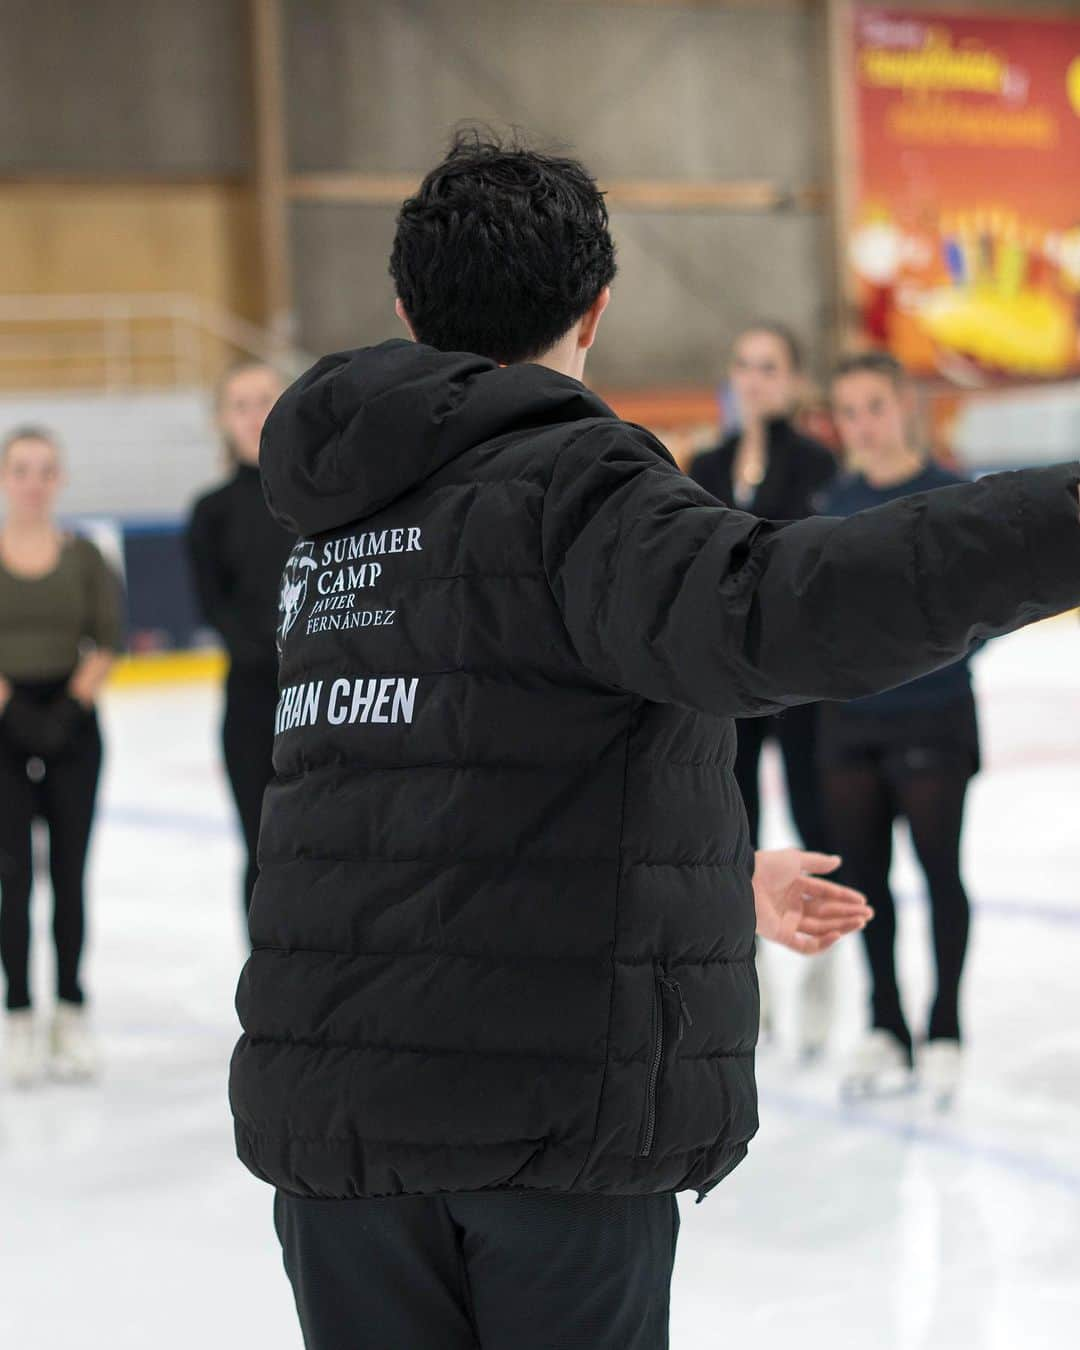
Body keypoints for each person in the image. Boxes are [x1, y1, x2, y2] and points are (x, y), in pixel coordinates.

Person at [228, 132, 1080, 1350]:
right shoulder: (572, 489)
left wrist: (717, 880)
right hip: (541, 1127)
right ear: (596, 309)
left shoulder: (336, 521)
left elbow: (445, 796)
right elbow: (783, 606)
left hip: (338, 1131)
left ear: (407, 309)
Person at [822, 351, 984, 1106]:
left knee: (937, 870)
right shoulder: (830, 505)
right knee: (861, 883)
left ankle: (944, 1026)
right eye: (849, 411)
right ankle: (885, 1022)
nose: (863, 425)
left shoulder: (950, 498)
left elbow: (990, 603)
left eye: (874, 407)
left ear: (904, 406)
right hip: (850, 723)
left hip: (933, 714)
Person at [690, 323, 837, 1057]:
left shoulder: (816, 462)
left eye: (769, 366)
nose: (755, 378)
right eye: (745, 365)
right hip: (730, 679)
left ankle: (817, 966)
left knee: (816, 819)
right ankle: (746, 979)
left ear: (793, 377)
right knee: (732, 826)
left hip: (801, 678)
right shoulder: (706, 463)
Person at [0, 426, 121, 1086]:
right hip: (2, 726)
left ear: (60, 479)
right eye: (22, 469)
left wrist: (68, 710)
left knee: (69, 875)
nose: (34, 481)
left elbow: (107, 638)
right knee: (12, 877)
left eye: (46, 469)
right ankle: (19, 1012)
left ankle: (70, 1009)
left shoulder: (85, 558)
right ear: (4, 478)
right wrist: (14, 713)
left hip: (72, 725)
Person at [187, 361, 293, 919]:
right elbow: (216, 609)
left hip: (330, 700)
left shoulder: (327, 497)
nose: (255, 415)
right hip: (253, 704)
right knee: (261, 850)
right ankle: (269, 989)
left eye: (265, 399)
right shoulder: (210, 513)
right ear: (221, 420)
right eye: (241, 404)